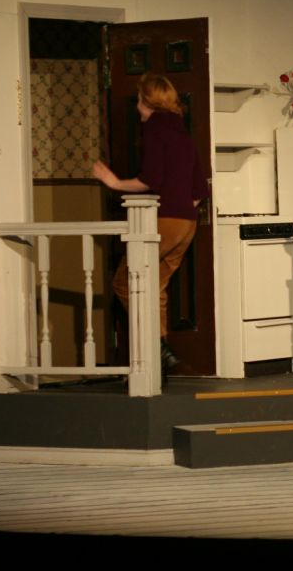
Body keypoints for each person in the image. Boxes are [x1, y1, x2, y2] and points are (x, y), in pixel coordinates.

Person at [92, 73, 209, 377]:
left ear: (148, 101)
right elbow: (199, 191)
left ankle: (158, 349)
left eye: (140, 101)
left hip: (165, 220)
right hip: (187, 223)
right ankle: (160, 355)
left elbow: (150, 180)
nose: (137, 108)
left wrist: (113, 182)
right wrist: (179, 207)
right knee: (155, 286)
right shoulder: (182, 133)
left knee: (124, 282)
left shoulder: (156, 129)